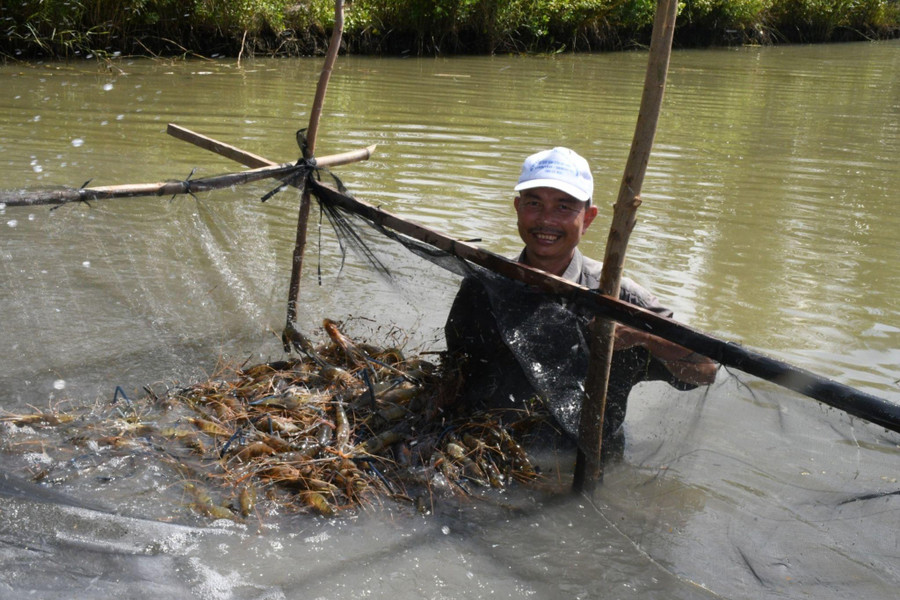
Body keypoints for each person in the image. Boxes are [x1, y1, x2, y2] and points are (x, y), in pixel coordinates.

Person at [443, 147, 717, 460]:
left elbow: (705, 370)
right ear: (518, 208)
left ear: (587, 219)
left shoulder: (621, 298)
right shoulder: (484, 286)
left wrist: (641, 337)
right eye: (534, 203)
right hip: (487, 453)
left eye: (563, 207)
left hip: (581, 465)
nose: (546, 220)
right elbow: (456, 368)